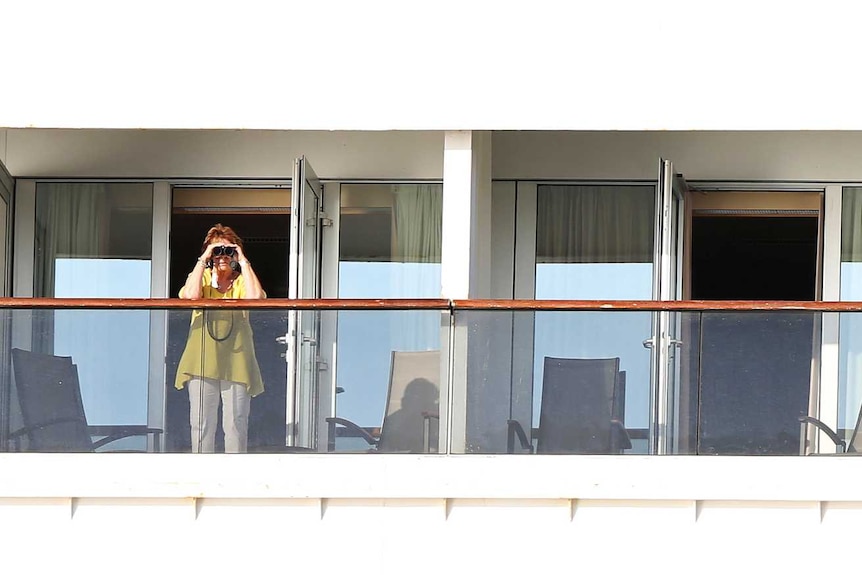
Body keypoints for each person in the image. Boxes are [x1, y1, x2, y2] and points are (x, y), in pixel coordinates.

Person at [175, 224, 266, 453]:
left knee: (236, 422)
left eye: (228, 250)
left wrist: (243, 260)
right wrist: (203, 258)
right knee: (201, 424)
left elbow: (255, 298)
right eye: (217, 250)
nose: (222, 256)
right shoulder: (201, 278)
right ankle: (201, 477)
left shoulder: (242, 280)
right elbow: (191, 296)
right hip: (202, 360)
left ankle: (233, 480)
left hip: (236, 359)